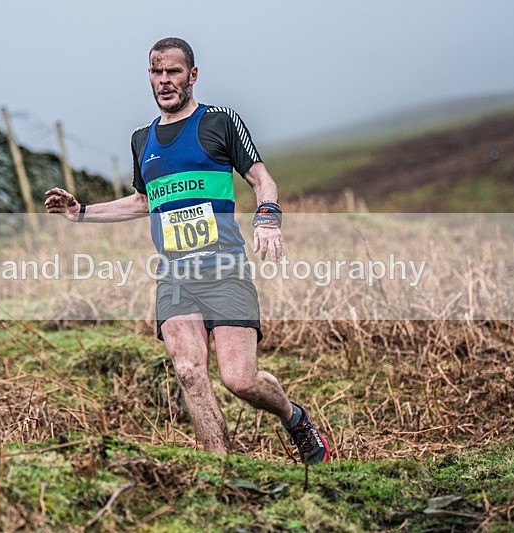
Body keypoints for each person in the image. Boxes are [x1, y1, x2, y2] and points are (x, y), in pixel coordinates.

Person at [45, 37, 331, 465]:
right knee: (189, 371)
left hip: (226, 268)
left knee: (240, 379)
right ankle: (220, 468)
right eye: (157, 72)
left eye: (173, 71)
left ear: (191, 76)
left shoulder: (220, 122)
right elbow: (143, 202)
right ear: (149, 77)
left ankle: (296, 420)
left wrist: (268, 215)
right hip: (175, 275)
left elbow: (260, 178)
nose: (165, 80)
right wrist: (80, 212)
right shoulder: (142, 140)